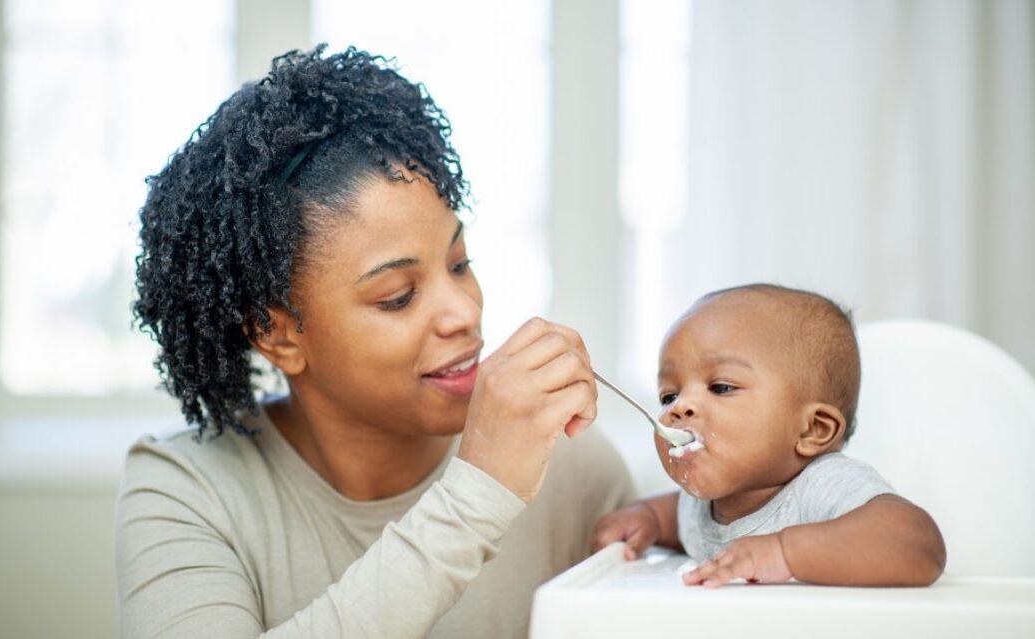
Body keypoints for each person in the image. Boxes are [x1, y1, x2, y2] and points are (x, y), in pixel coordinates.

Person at [117, 45, 634, 638]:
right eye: (397, 296)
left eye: (460, 263)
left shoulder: (571, 468)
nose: (464, 312)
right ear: (278, 336)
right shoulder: (187, 490)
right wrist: (478, 495)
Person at [591, 284, 946, 587]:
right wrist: (644, 520)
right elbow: (670, 515)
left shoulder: (823, 486)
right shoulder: (699, 507)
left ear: (812, 430)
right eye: (669, 395)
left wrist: (784, 553)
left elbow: (919, 544)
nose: (679, 407)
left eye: (721, 387)